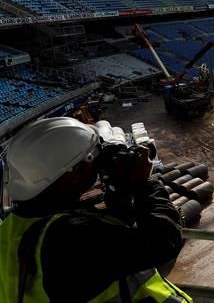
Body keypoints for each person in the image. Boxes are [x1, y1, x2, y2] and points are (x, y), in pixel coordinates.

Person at [0, 117, 191, 302]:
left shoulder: (12, 230)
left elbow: (112, 241)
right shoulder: (70, 236)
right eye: (93, 155)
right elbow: (163, 241)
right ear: (72, 174)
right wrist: (144, 183)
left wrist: (121, 193)